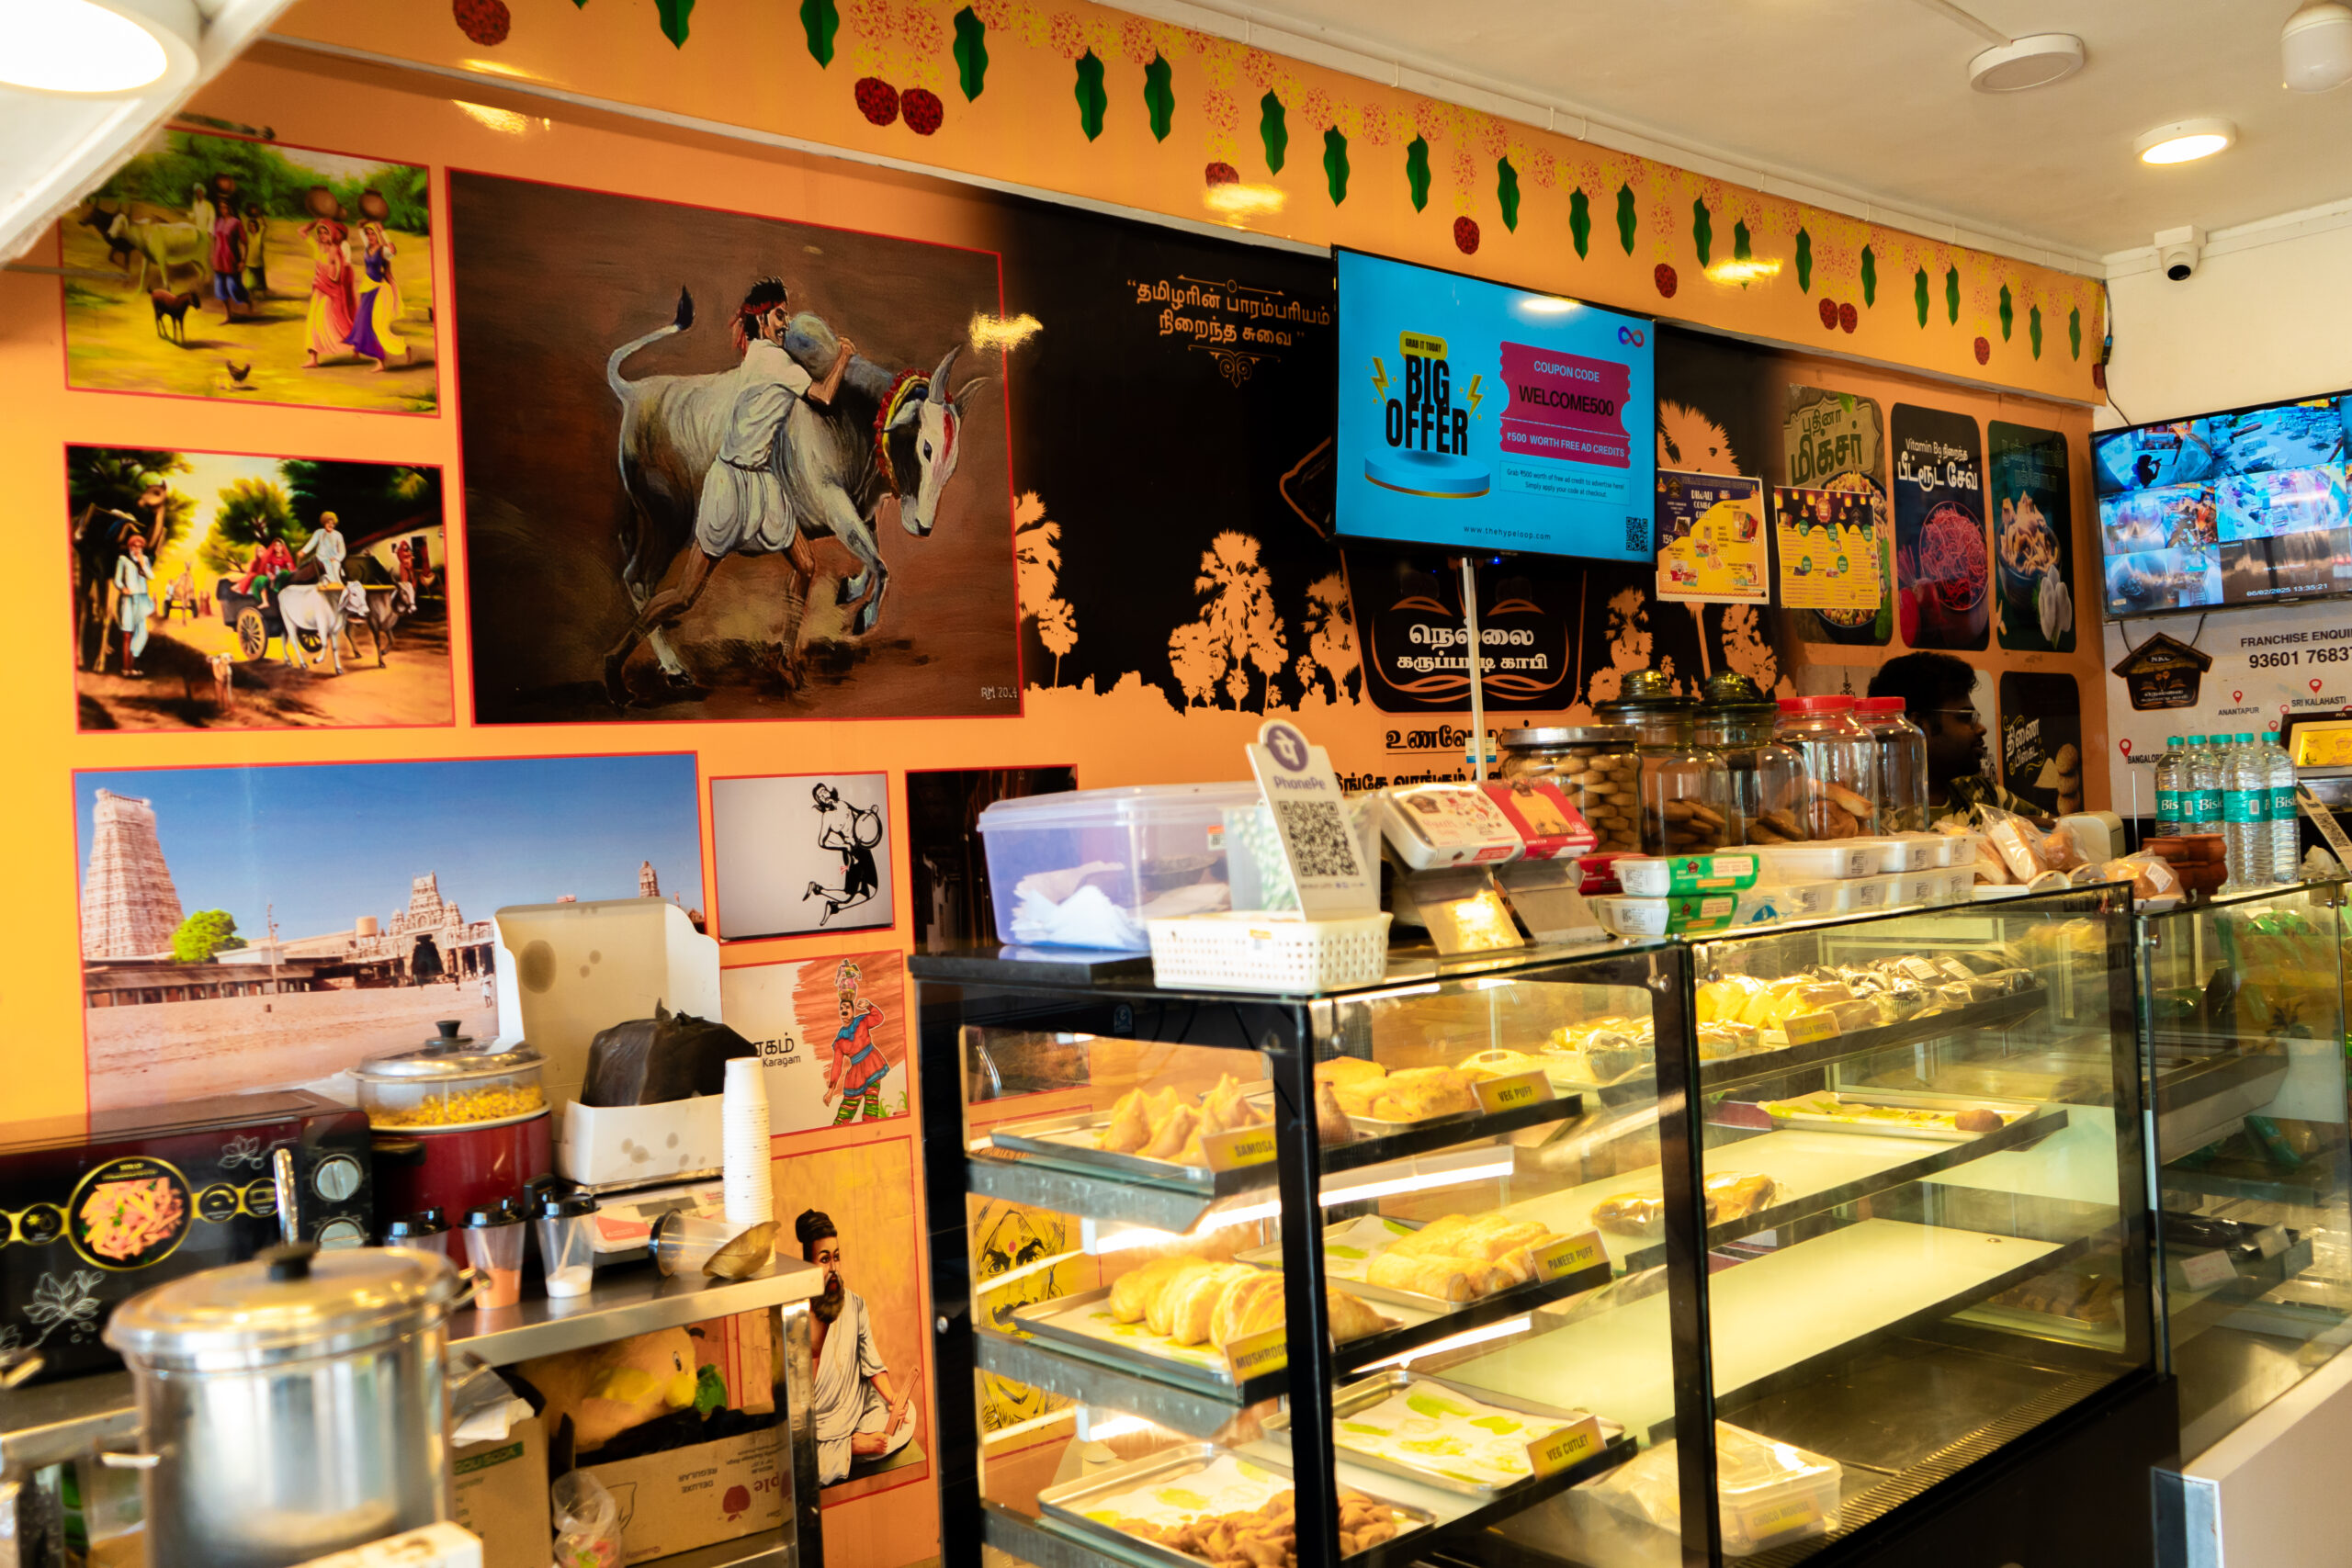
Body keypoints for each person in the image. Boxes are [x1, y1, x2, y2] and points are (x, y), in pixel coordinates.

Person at [796, 1210, 915, 1485]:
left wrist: (893, 1399)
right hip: (818, 1423)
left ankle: (850, 1445)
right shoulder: (796, 1314)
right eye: (824, 1259)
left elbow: (872, 1365)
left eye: (837, 1257)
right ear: (808, 1265)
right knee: (805, 1459)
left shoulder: (855, 1304)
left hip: (855, 1409)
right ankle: (850, 1447)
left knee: (908, 1413)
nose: (834, 1268)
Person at [1866, 651, 2051, 824]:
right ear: (1916, 727)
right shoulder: (1870, 819)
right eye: (1966, 717)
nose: (1981, 729)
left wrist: (2027, 829)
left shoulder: (1981, 793)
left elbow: (2057, 829)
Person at [804, 782, 880, 927]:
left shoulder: (843, 804)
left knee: (868, 892)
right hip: (852, 855)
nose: (823, 795)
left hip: (863, 848)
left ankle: (830, 902)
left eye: (823, 791)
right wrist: (844, 846)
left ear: (829, 791)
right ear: (820, 801)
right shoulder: (827, 816)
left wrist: (871, 812)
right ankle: (824, 896)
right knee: (852, 893)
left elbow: (859, 813)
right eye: (819, 796)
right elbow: (822, 842)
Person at [821, 980, 890, 1125]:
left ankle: (872, 1130)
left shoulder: (862, 1022)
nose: (844, 1010)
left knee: (871, 1104)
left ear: (853, 1011)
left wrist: (869, 1006)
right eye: (841, 1008)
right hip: (856, 1075)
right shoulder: (840, 1040)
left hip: (872, 1065)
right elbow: (837, 1066)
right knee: (845, 1112)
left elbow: (879, 1018)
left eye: (847, 1007)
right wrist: (831, 1090)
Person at [344, 220, 406, 369]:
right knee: (361, 319)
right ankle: (358, 349)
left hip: (378, 289)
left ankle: (380, 360)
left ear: (377, 235)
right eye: (368, 234)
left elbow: (392, 251)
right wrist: (369, 221)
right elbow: (359, 226)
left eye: (373, 234)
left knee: (375, 324)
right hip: (367, 288)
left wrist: (382, 230)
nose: (370, 236)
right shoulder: (368, 247)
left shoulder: (383, 251)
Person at [301, 217, 356, 367]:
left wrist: (335, 277)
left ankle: (352, 344)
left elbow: (340, 267)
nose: (322, 236)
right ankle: (313, 358)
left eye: (325, 232)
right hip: (319, 288)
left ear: (331, 233)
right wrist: (315, 222)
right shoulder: (316, 245)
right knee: (313, 322)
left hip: (330, 290)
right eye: (320, 233)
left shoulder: (334, 249)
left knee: (326, 321)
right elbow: (301, 232)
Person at [208, 175, 249, 321]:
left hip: (231, 260)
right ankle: (228, 315)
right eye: (220, 207)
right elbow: (214, 240)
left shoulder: (236, 223)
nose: (222, 209)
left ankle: (247, 301)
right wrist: (212, 255)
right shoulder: (217, 221)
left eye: (225, 207)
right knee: (220, 290)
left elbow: (244, 242)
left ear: (230, 208)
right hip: (219, 260)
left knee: (233, 288)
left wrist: (243, 261)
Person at [114, 535, 155, 678]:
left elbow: (151, 577)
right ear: (130, 547)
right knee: (127, 634)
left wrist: (143, 564)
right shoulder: (123, 560)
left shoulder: (145, 560)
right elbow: (117, 580)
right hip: (129, 600)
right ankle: (126, 668)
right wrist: (123, 588)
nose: (137, 549)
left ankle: (132, 667)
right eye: (134, 546)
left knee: (141, 633)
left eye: (139, 546)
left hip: (142, 599)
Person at [299, 511, 348, 585]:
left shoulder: (338, 535)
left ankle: (338, 583)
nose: (330, 525)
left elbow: (342, 552)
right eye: (328, 523)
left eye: (332, 524)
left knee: (335, 566)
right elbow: (312, 543)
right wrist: (303, 551)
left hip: (333, 560)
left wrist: (336, 558)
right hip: (320, 559)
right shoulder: (319, 532)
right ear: (324, 523)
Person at [241, 203, 268, 298]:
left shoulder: (259, 234)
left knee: (261, 279)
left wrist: (259, 215)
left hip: (259, 261)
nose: (252, 227)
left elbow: (264, 225)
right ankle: (251, 294)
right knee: (250, 280)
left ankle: (264, 294)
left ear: (256, 226)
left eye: (254, 226)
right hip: (249, 261)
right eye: (250, 226)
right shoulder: (247, 235)